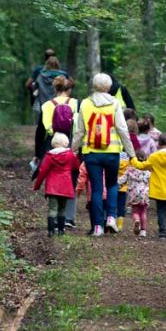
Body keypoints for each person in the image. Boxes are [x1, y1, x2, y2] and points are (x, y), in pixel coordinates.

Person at [71, 73, 136, 237]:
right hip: (112, 152)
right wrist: (131, 153)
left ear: (93, 86)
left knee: (97, 189)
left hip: (91, 153)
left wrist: (72, 149)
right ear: (108, 87)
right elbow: (122, 129)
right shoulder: (115, 104)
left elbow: (79, 131)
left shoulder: (85, 103)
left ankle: (98, 227)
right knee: (113, 185)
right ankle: (111, 218)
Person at [42, 76, 80, 228]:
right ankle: (68, 218)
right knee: (72, 179)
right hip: (71, 144)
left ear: (54, 89)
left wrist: (39, 153)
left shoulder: (46, 105)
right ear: (69, 89)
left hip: (53, 144)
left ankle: (54, 214)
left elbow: (44, 128)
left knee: (54, 177)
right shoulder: (76, 103)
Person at [32, 133, 78, 236]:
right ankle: (61, 231)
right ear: (66, 143)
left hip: (52, 187)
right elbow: (76, 167)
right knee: (62, 209)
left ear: (54, 143)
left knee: (52, 209)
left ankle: (50, 231)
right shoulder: (70, 155)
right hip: (65, 186)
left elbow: (43, 171)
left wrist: (37, 185)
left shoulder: (49, 155)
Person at [31, 56, 69, 168]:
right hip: (62, 103)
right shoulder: (64, 75)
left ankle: (50, 147)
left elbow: (33, 87)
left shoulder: (40, 75)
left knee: (43, 128)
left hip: (45, 104)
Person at [121, 147, 152, 237]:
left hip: (134, 195)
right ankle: (143, 231)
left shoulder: (130, 170)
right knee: (143, 212)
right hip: (144, 195)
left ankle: (136, 220)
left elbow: (122, 180)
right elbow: (152, 181)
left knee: (135, 212)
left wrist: (116, 185)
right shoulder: (147, 171)